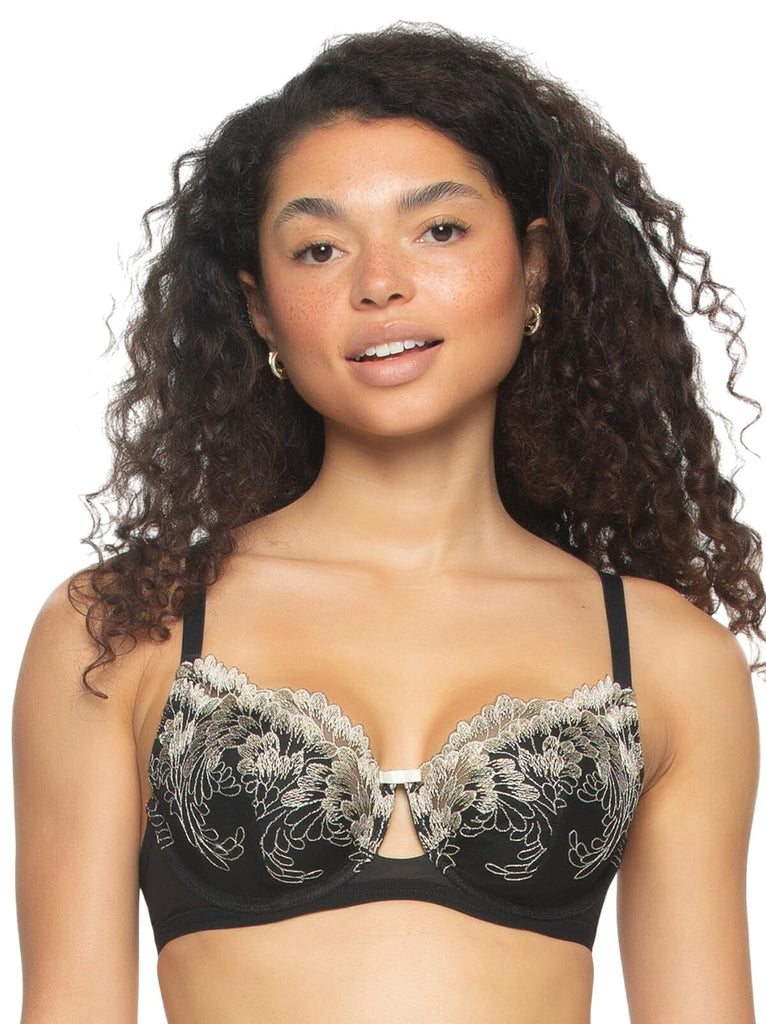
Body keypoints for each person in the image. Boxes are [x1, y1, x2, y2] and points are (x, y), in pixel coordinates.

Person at [13, 23, 763, 1024]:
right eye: (319, 248)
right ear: (261, 311)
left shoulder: (670, 657)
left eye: (439, 230)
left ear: (535, 265)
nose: (379, 283)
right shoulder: (121, 629)